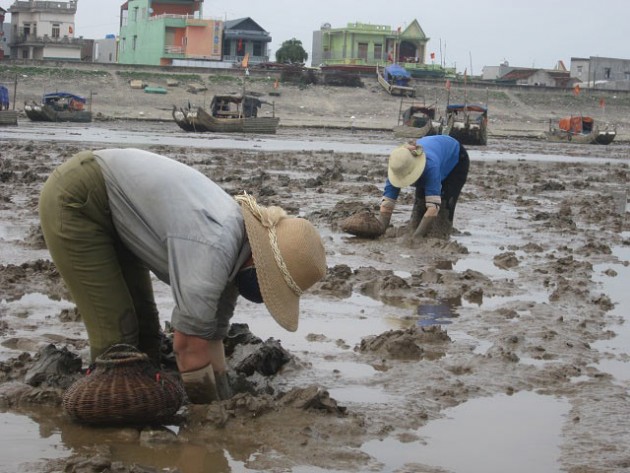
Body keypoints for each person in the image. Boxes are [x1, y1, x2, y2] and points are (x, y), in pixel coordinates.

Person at [39, 148, 327, 404]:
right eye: (272, 287)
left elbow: (212, 335)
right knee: (119, 343)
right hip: (78, 199)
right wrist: (205, 418)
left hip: (118, 212)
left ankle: (133, 412)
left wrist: (224, 398)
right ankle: (105, 436)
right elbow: (188, 345)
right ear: (261, 263)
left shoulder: (238, 252)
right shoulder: (214, 247)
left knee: (148, 336)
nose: (265, 296)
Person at [378, 134, 469, 239]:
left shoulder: (430, 167)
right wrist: (380, 230)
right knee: (418, 212)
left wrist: (416, 238)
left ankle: (442, 235)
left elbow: (433, 208)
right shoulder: (398, 165)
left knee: (444, 210)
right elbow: (387, 204)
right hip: (434, 152)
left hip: (456, 160)